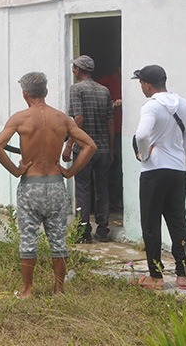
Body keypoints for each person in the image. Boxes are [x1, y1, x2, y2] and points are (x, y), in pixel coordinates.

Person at [0, 72, 96, 297]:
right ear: (46, 93)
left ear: (25, 94)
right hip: (56, 184)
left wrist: (16, 170)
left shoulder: (20, 118)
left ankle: (27, 289)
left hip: (31, 184)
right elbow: (90, 145)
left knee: (28, 237)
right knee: (58, 238)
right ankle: (59, 289)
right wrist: (70, 172)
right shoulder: (61, 119)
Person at [132, 64, 186, 290]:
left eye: (141, 83)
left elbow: (142, 134)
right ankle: (183, 275)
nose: (141, 87)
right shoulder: (185, 105)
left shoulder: (151, 107)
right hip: (178, 170)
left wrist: (143, 153)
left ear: (147, 84)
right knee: (178, 220)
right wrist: (182, 164)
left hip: (154, 171)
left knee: (151, 223)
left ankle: (156, 277)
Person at [61, 55, 114, 243]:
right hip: (103, 148)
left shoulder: (76, 89)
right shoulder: (104, 90)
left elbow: (78, 119)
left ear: (78, 70)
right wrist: (111, 149)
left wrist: (69, 145)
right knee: (102, 189)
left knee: (83, 189)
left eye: (74, 68)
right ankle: (103, 229)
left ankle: (83, 232)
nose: (73, 71)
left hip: (83, 149)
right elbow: (110, 121)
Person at [95, 69, 123, 211]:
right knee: (112, 167)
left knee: (119, 167)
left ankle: (117, 200)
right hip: (110, 131)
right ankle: (114, 201)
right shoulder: (106, 81)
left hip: (124, 131)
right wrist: (111, 103)